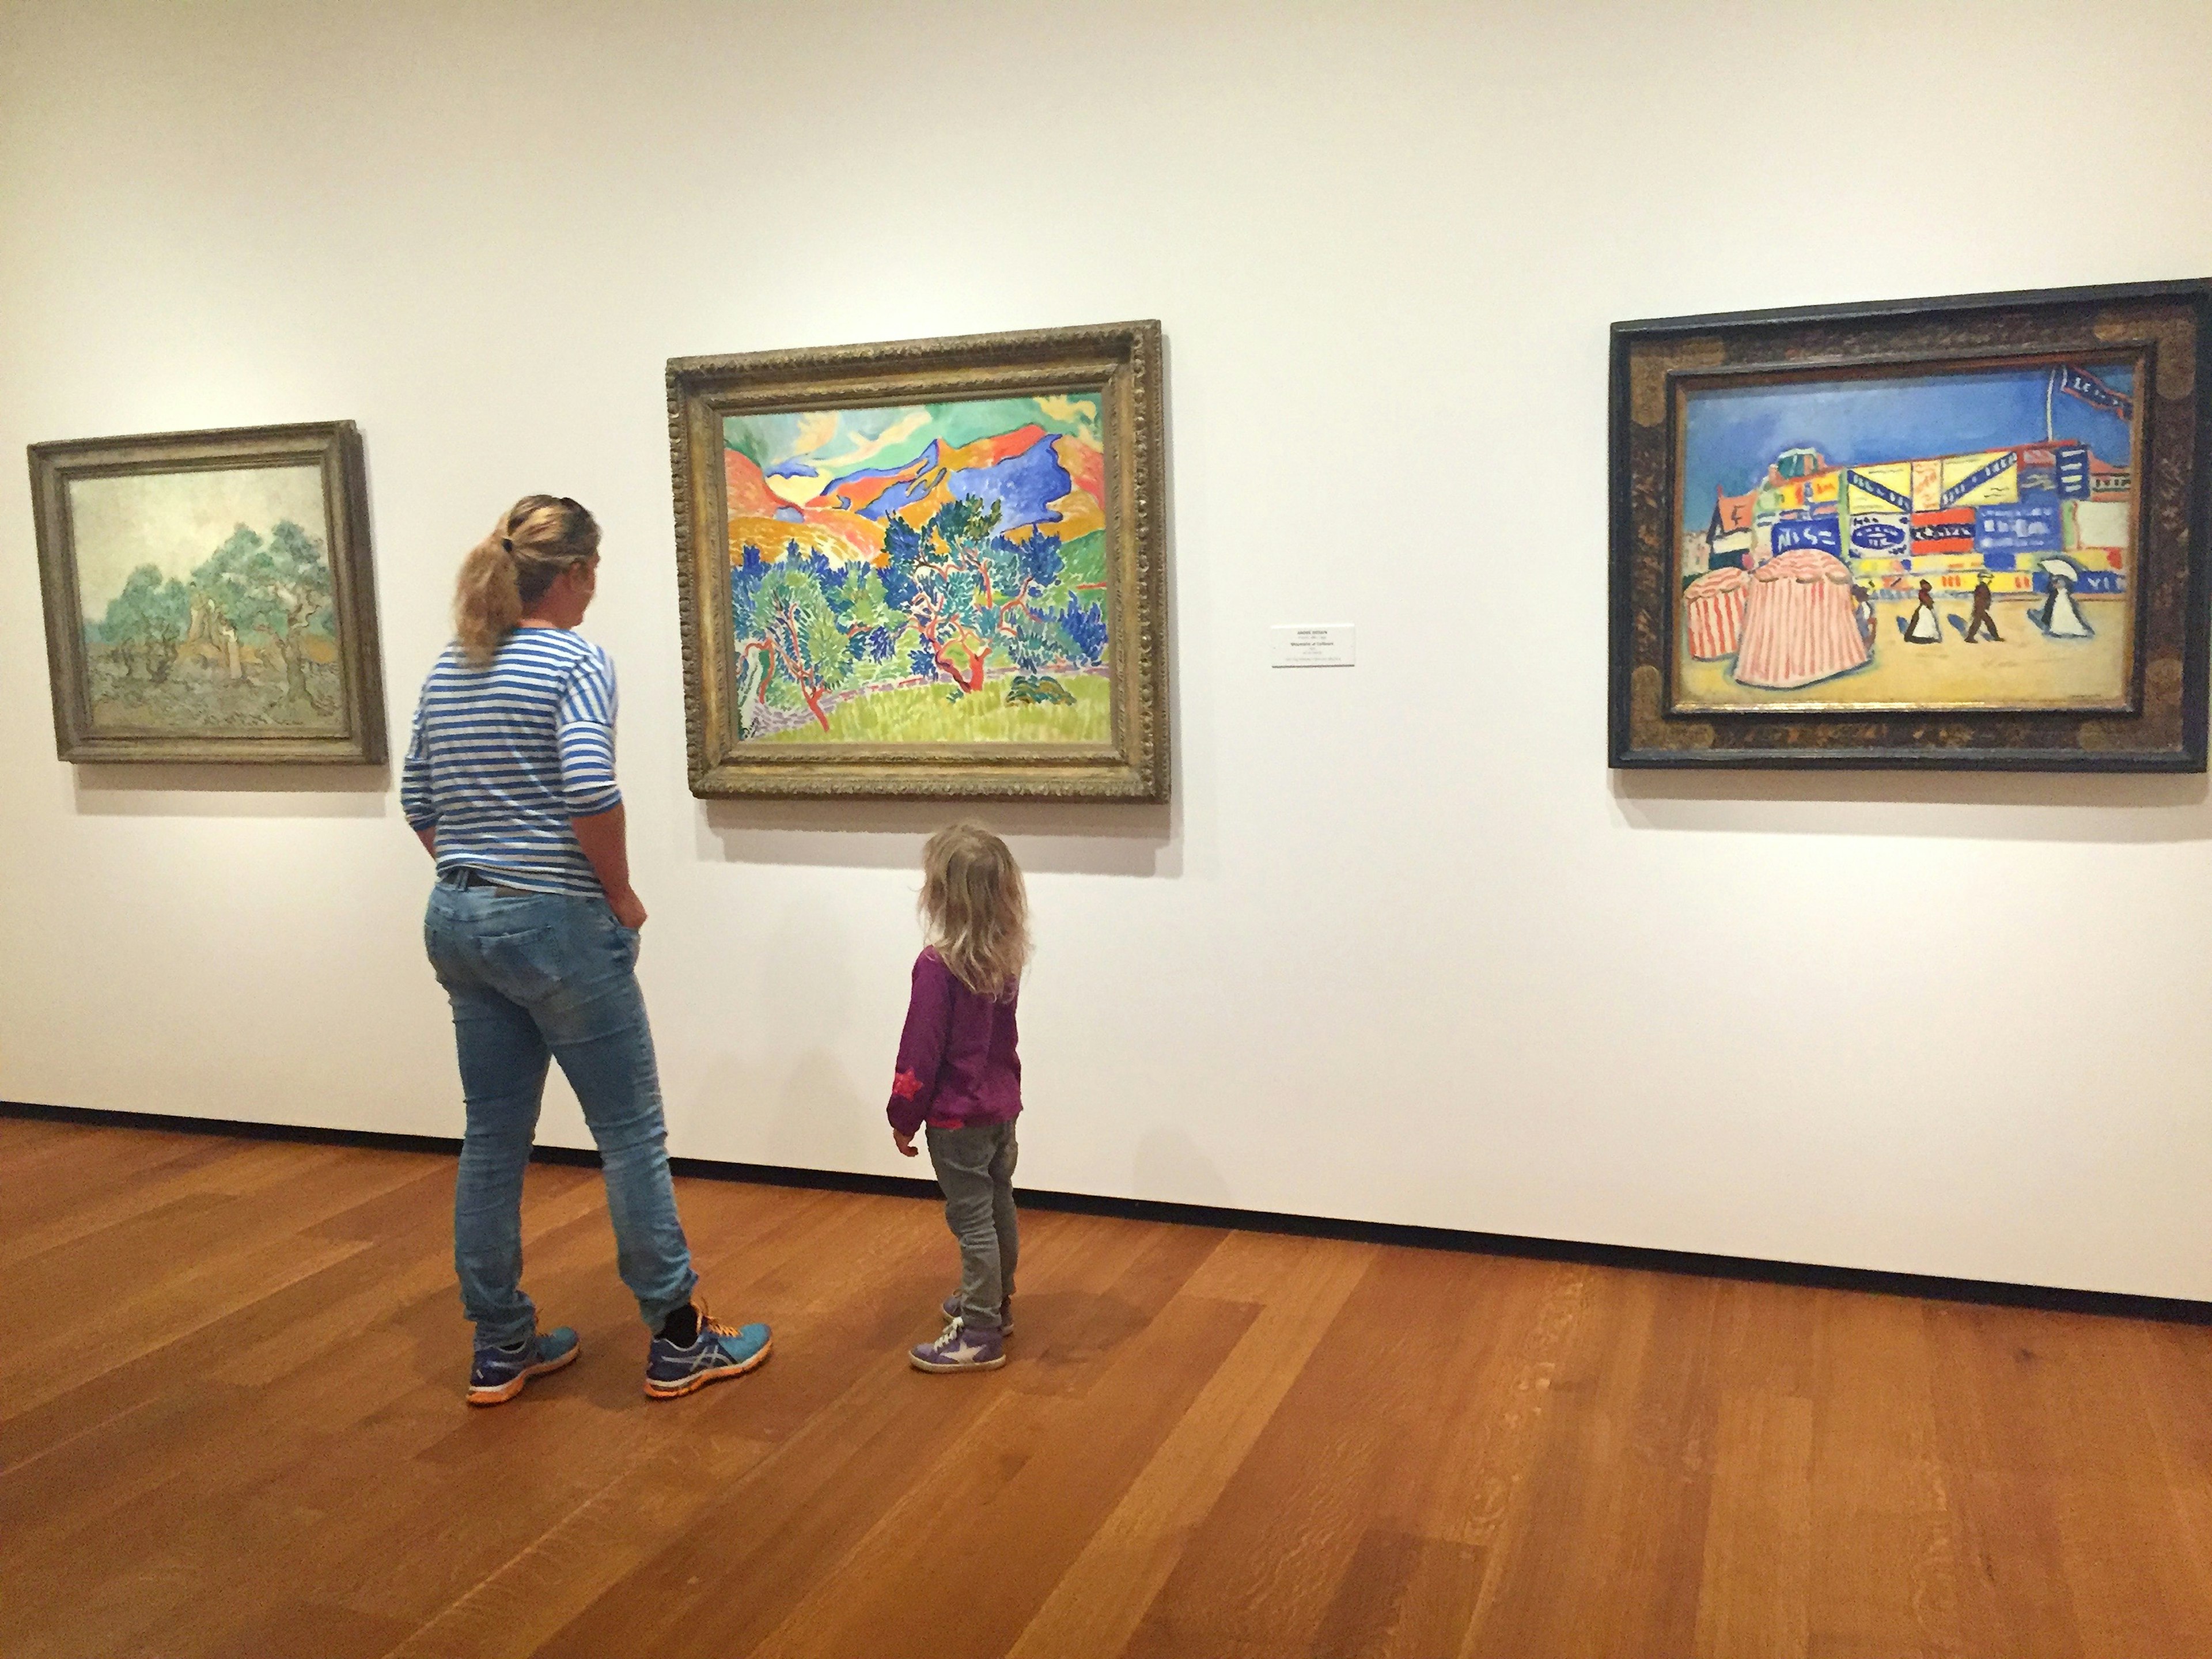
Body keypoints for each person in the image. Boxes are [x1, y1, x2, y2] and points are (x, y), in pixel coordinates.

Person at [403, 495, 770, 1404]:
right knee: (629, 1135)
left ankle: (499, 1343)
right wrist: (617, 893)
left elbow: (418, 801)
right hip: (559, 921)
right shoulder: (575, 660)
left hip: (457, 917)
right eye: (593, 574)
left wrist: (479, 872)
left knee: (492, 1136)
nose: (594, 591)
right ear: (571, 575)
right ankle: (679, 1338)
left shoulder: (453, 667)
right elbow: (589, 788)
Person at [887, 824, 1029, 1373]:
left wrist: (903, 1116)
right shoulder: (1003, 960)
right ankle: (997, 1301)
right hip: (1000, 1109)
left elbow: (920, 1051)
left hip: (955, 1119)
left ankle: (979, 1329)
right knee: (998, 1205)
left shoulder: (937, 968)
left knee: (971, 1219)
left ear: (940, 895)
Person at [1899, 578, 1943, 643]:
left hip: (1924, 608)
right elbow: (1928, 601)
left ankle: (1923, 636)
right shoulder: (1923, 593)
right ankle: (1925, 637)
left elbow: (1928, 601)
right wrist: (1931, 606)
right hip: (1925, 609)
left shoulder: (1923, 593)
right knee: (1925, 622)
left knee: (1923, 622)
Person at [1963, 573, 2002, 643]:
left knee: (1987, 622)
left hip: (1981, 609)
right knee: (1978, 623)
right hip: (1980, 609)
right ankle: (1970, 638)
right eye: (1989, 579)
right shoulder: (1982, 588)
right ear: (1985, 579)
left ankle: (1995, 636)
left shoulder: (1983, 587)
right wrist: (1979, 609)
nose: (1990, 580)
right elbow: (1979, 600)